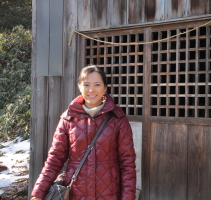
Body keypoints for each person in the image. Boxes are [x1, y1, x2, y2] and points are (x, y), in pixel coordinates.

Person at [30, 65, 136, 200]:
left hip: (109, 193)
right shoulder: (68, 118)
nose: (91, 90)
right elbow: (55, 158)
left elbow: (127, 164)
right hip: (76, 193)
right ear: (80, 87)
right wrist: (38, 193)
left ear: (105, 88)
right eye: (86, 84)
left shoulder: (117, 119)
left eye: (97, 84)